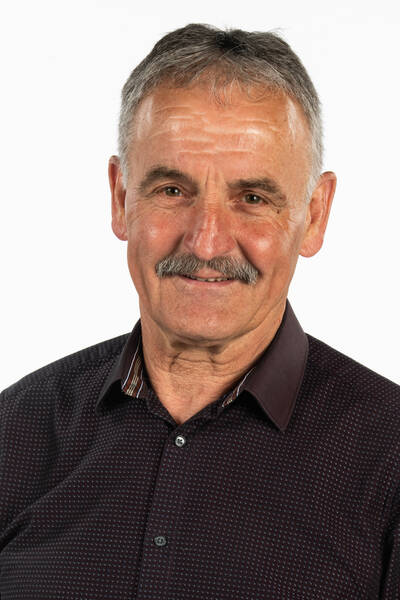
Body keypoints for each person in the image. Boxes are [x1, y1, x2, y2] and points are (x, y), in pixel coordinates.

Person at [0, 23, 399, 599]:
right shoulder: (13, 435)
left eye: (253, 198)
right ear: (120, 198)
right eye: (172, 191)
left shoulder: (389, 459)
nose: (207, 243)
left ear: (315, 215)